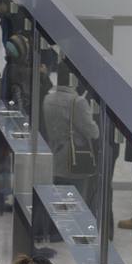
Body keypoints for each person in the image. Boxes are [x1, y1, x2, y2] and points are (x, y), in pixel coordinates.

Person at [42, 61, 100, 208]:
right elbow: (93, 132)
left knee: (59, 207)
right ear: (73, 79)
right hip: (75, 162)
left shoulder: (48, 99)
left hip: (55, 158)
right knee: (76, 209)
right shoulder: (78, 102)